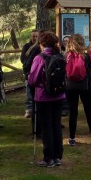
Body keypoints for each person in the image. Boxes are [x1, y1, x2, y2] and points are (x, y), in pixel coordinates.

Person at [28, 31, 65, 167]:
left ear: (42, 44)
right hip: (59, 95)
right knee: (56, 125)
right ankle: (57, 156)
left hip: (43, 96)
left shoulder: (40, 58)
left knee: (46, 127)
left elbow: (32, 79)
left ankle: (48, 158)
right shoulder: (59, 56)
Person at [65, 34, 91, 146]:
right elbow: (88, 71)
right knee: (88, 110)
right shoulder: (86, 56)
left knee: (73, 112)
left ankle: (72, 138)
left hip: (70, 86)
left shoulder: (66, 56)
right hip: (84, 86)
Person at [20, 29, 40, 118]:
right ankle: (29, 110)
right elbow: (22, 59)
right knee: (29, 93)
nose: (35, 38)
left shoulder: (40, 47)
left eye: (36, 36)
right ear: (31, 36)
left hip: (38, 73)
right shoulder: (26, 46)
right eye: (33, 36)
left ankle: (37, 110)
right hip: (29, 72)